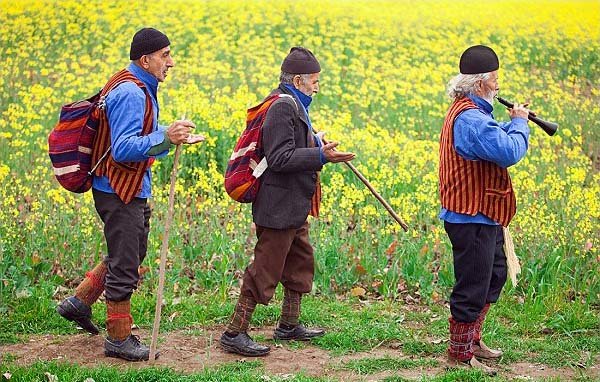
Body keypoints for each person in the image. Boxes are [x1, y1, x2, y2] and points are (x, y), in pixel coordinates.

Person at [56, 27, 204, 361]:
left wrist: (170, 136)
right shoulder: (132, 93)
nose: (171, 62)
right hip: (119, 191)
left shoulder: (134, 83)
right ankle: (118, 339)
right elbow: (122, 148)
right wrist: (166, 137)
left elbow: (133, 136)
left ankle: (78, 303)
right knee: (125, 263)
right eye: (165, 55)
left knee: (131, 251)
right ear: (146, 59)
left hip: (128, 187)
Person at [220, 47, 355, 356]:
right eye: (314, 81)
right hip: (277, 206)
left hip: (293, 205)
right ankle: (234, 332)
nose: (318, 86)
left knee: (299, 262)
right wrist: (321, 156)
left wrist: (315, 141)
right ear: (298, 80)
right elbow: (280, 157)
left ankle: (289, 325)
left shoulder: (294, 103)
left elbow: (289, 145)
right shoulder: (283, 107)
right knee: (265, 269)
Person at [438, 45, 530, 375]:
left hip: (482, 214)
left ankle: (472, 339)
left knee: (494, 275)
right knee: (473, 284)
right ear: (480, 84)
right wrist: (520, 124)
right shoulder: (471, 118)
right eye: (495, 79)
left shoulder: (475, 113)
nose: (498, 86)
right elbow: (507, 152)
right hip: (470, 215)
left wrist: (509, 124)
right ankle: (459, 354)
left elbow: (489, 139)